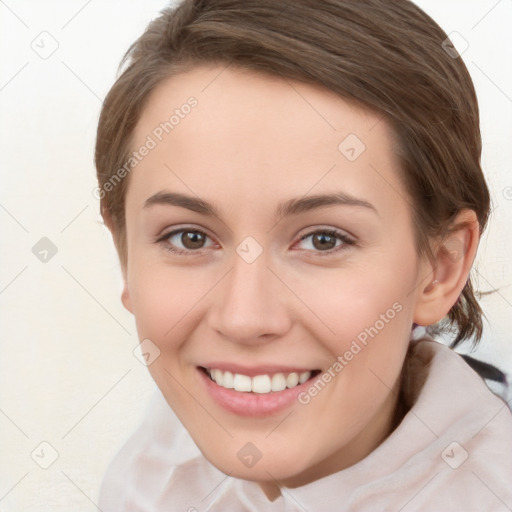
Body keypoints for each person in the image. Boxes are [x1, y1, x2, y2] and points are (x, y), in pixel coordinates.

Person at [94, 0, 512, 509]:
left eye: (324, 240)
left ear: (440, 269)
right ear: (125, 257)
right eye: (190, 238)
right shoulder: (149, 474)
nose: (244, 319)